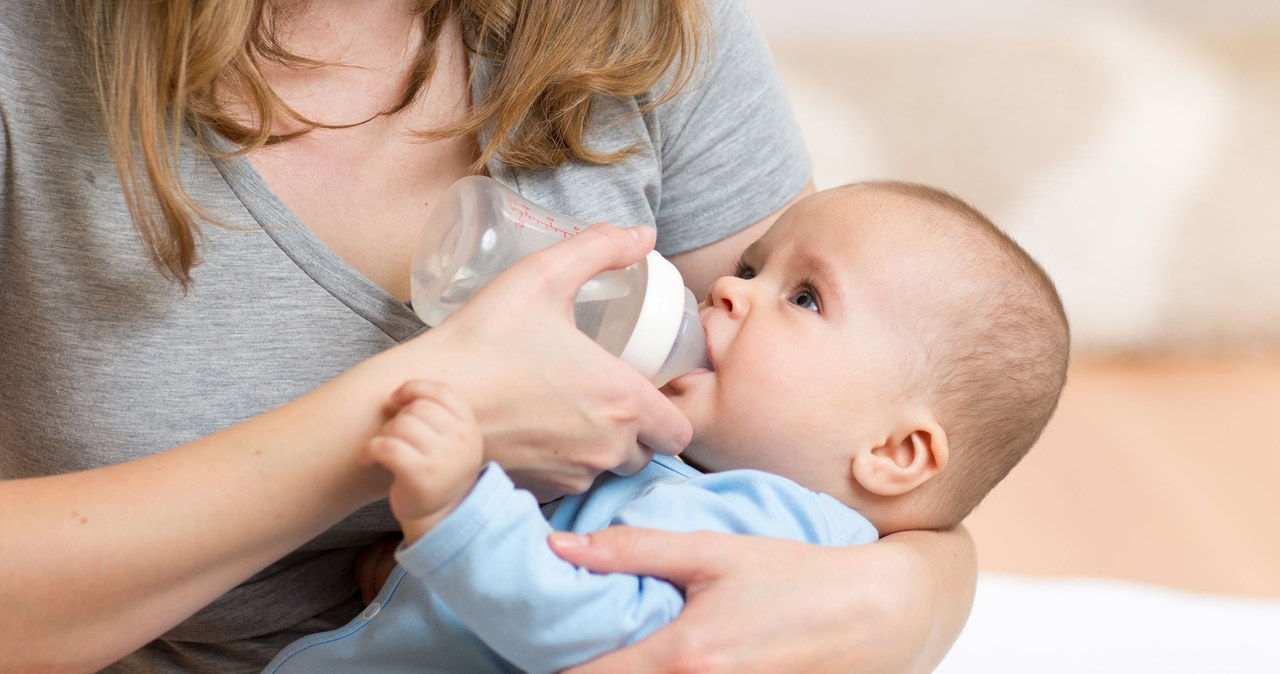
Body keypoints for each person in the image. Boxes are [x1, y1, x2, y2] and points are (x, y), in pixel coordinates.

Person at [0, 1, 975, 672]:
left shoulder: (637, 26)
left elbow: (875, 413)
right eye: (753, 279)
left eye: (786, 293)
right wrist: (401, 433)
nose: (728, 299)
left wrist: (911, 595)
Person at [262, 181, 1071, 674]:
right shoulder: (702, 475)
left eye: (804, 298)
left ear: (895, 453)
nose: (727, 290)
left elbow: (589, 628)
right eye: (751, 265)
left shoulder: (763, 533)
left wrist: (455, 512)